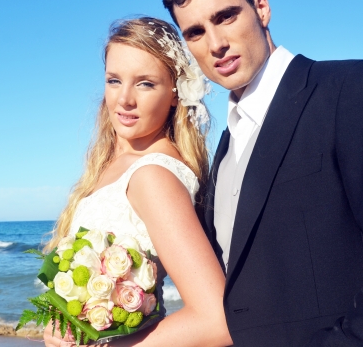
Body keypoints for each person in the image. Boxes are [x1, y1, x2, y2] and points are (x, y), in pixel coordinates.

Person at [161, 0, 363, 346]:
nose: (215, 43)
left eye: (226, 16)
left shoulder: (356, 90)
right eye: (196, 32)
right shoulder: (224, 149)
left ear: (261, 8)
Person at [43, 17, 233, 346]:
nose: (124, 99)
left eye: (145, 83)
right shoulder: (114, 164)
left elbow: (216, 320)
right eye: (114, 80)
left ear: (175, 92)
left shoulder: (153, 176)